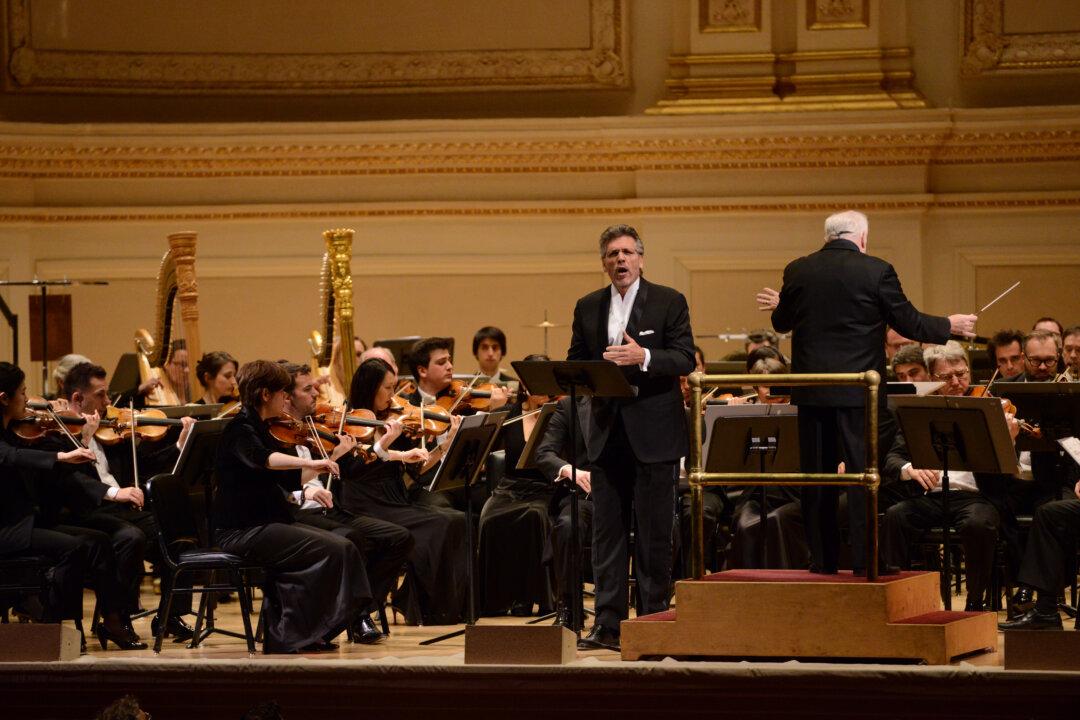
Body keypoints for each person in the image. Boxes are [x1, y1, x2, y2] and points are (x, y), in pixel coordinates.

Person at [757, 209, 975, 574]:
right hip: (858, 393)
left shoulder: (798, 270)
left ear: (828, 236)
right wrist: (948, 325)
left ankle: (822, 561)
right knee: (863, 477)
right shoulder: (877, 270)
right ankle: (864, 560)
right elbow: (907, 321)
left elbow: (782, 321)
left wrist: (786, 303)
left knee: (817, 479)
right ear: (862, 238)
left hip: (812, 393)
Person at [567, 223, 695, 651]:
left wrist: (645, 357)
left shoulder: (669, 301)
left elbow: (684, 358)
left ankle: (655, 620)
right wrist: (591, 373)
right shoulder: (587, 307)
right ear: (603, 263)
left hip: (654, 433)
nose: (619, 260)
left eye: (626, 253)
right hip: (606, 433)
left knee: (656, 533)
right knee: (607, 535)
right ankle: (608, 625)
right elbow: (575, 362)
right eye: (611, 254)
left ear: (640, 258)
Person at [212, 359, 366, 653]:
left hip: (268, 522)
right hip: (241, 530)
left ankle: (312, 630)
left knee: (342, 546)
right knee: (331, 549)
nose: (287, 397)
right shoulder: (239, 429)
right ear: (266, 394)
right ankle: (291, 633)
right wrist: (310, 461)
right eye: (283, 391)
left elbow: (290, 479)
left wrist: (319, 467)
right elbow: (264, 460)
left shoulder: (266, 427)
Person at [44, 361, 196, 643]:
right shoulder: (56, 434)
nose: (108, 402)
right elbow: (72, 484)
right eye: (101, 395)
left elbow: (147, 465)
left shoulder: (111, 429)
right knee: (130, 537)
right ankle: (117, 620)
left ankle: (170, 616)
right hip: (85, 511)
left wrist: (180, 445)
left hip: (121, 508)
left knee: (181, 533)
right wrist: (86, 441)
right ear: (78, 398)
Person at [275, 361, 413, 643]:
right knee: (353, 538)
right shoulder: (274, 434)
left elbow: (351, 467)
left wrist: (376, 447)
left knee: (398, 537)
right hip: (296, 512)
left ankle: (358, 610)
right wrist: (310, 487)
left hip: (329, 508)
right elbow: (280, 482)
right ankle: (352, 616)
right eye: (308, 389)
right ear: (286, 397)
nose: (317, 393)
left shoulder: (313, 425)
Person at [881, 342, 1020, 610]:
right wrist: (910, 469)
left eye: (962, 374)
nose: (957, 382)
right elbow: (893, 458)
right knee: (895, 517)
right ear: (931, 378)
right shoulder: (918, 409)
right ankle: (898, 600)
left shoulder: (987, 406)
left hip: (976, 497)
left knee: (978, 525)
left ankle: (975, 602)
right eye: (946, 377)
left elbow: (1012, 469)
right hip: (931, 495)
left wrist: (1008, 440)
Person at [337, 358, 469, 625]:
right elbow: (352, 470)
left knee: (457, 519)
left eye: (394, 387)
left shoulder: (395, 420)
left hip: (395, 500)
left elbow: (418, 469)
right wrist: (384, 442)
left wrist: (446, 445)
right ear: (370, 388)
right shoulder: (348, 423)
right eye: (387, 388)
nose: (393, 395)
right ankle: (426, 606)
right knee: (441, 523)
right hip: (363, 504)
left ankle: (422, 601)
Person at [477, 354, 555, 617]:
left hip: (546, 488)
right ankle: (499, 600)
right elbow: (480, 446)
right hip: (509, 487)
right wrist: (492, 411)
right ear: (524, 382)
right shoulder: (509, 413)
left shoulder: (559, 414)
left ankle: (531, 597)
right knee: (489, 519)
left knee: (534, 516)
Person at [534, 395, 594, 629]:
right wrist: (571, 470)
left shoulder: (630, 400)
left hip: (623, 496)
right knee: (567, 526)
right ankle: (568, 607)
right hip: (584, 495)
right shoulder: (569, 405)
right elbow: (544, 453)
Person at [472, 326, 518, 390]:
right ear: (476, 352)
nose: (490, 353)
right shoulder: (466, 385)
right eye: (485, 347)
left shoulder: (514, 385)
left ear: (502, 352)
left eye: (495, 347)